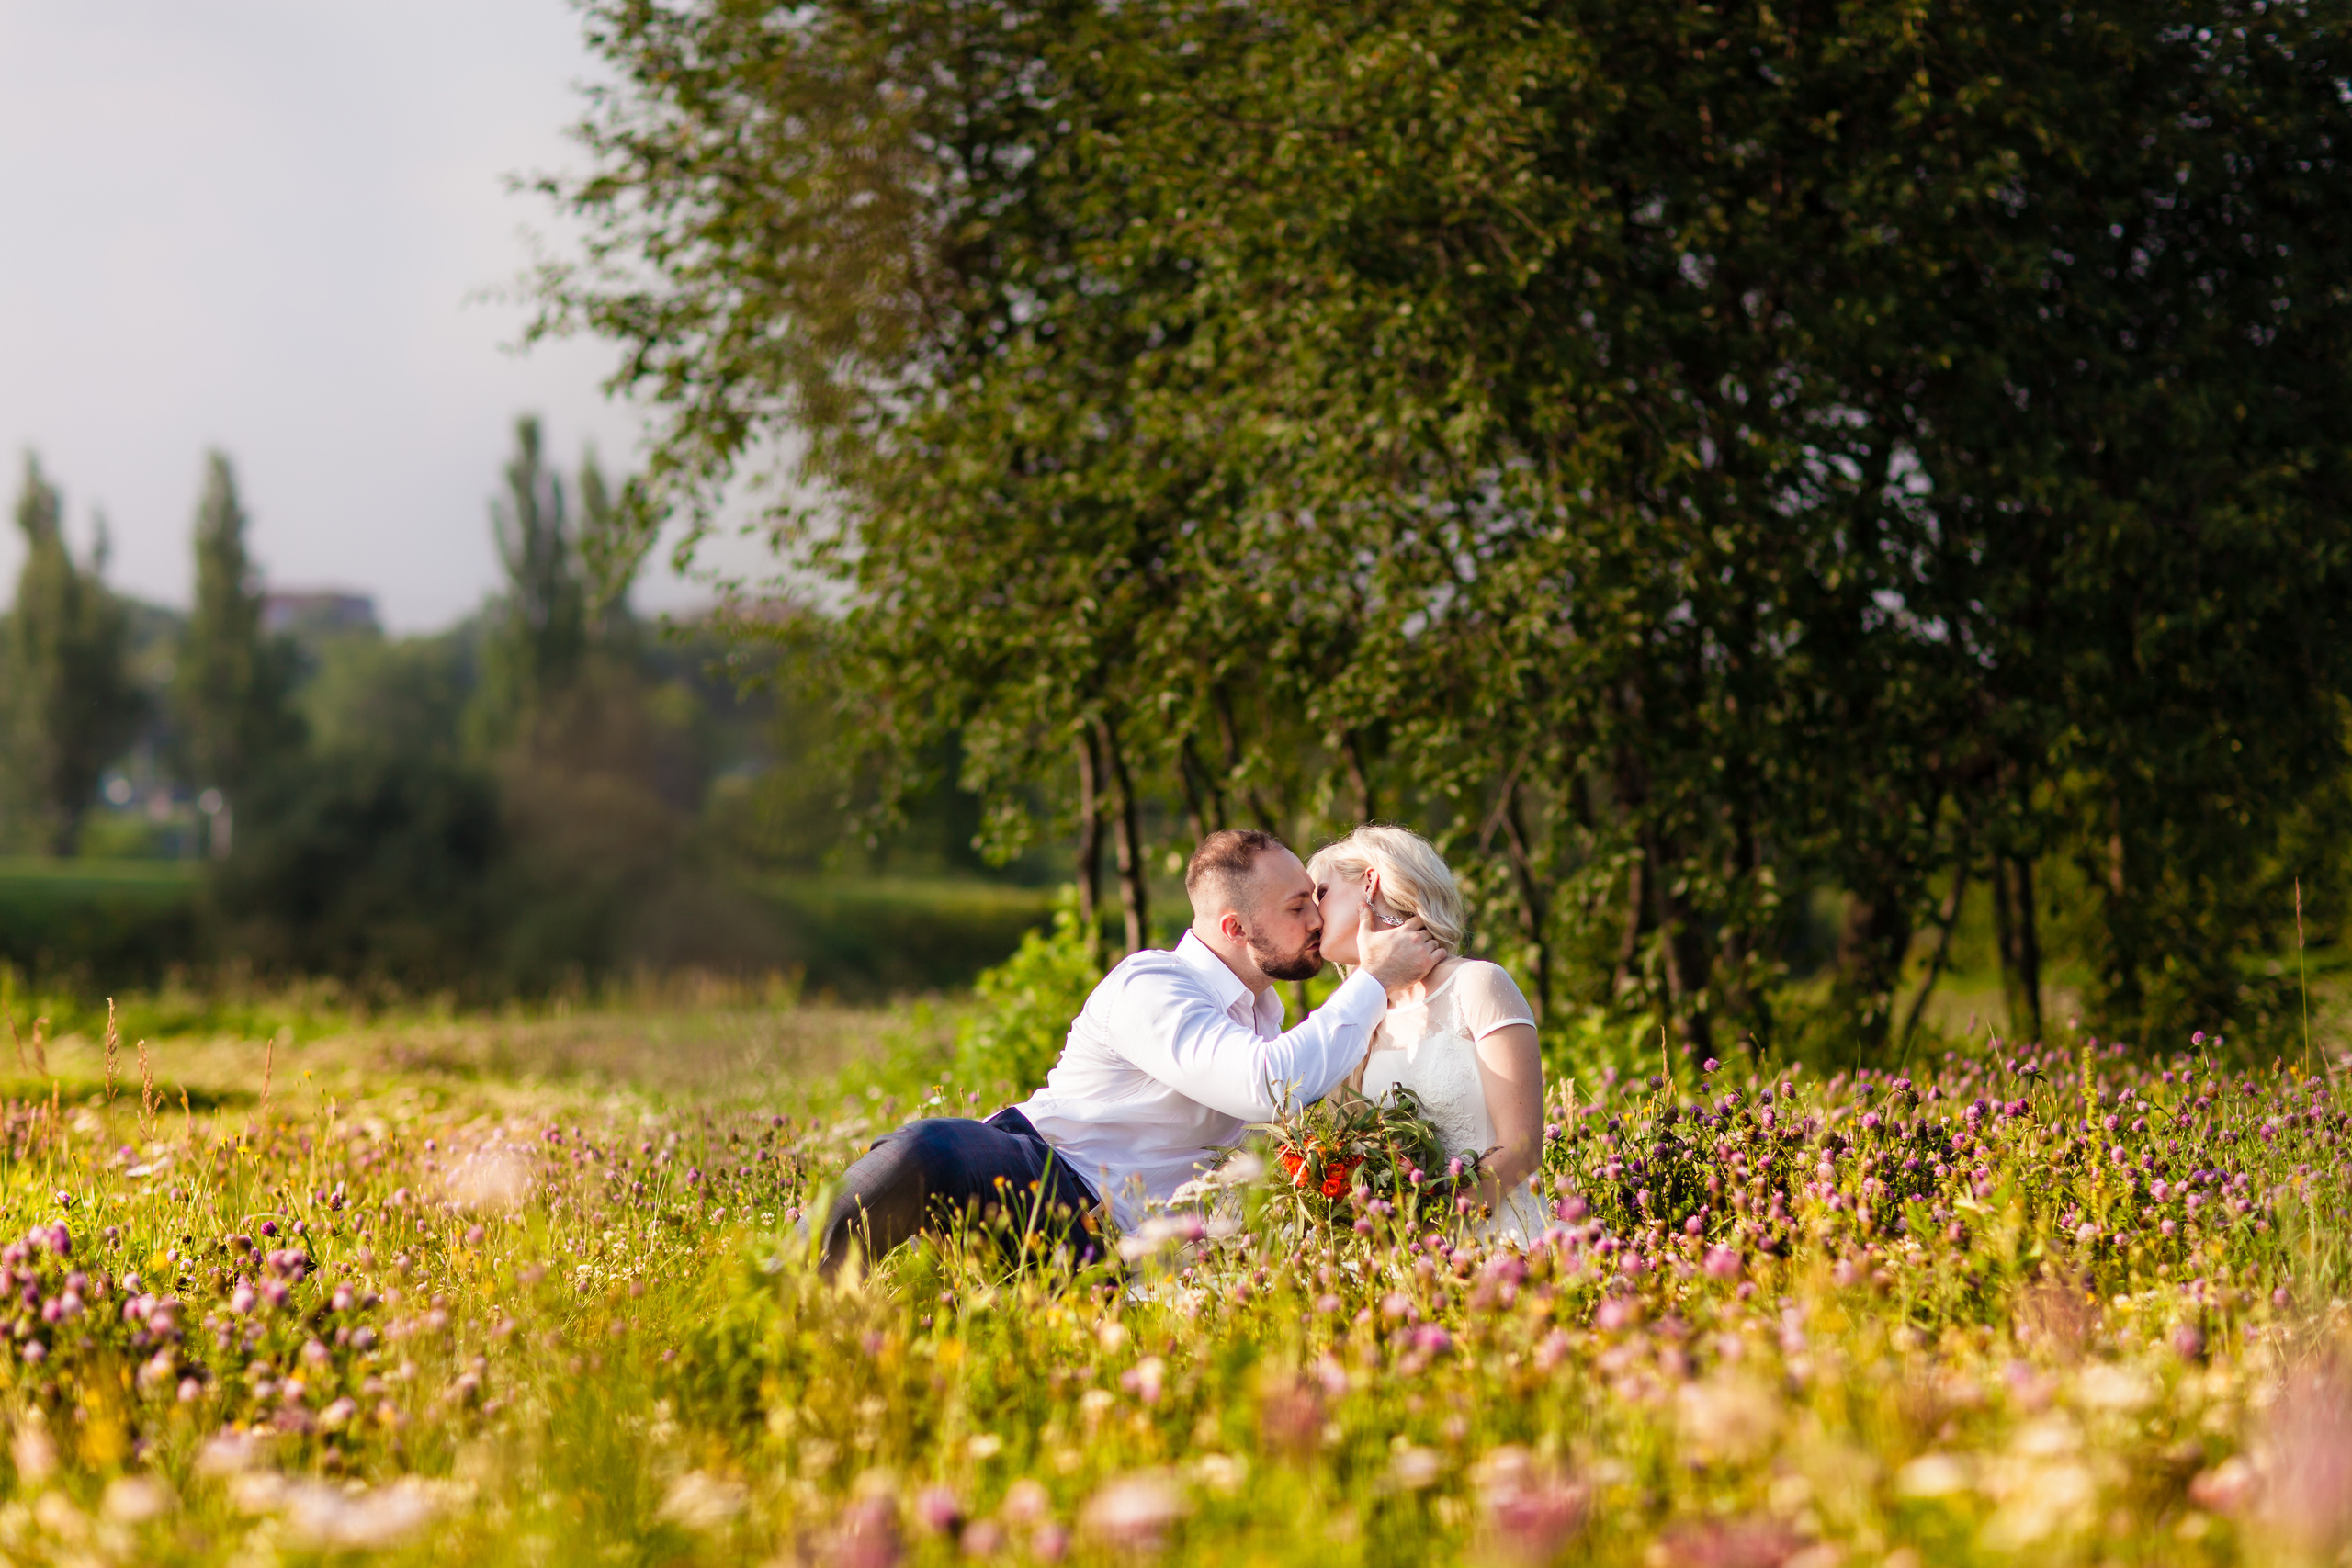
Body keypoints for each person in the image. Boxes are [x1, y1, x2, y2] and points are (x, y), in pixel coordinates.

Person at [816, 828, 1444, 1277]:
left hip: (1115, 1245)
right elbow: (1266, 1085)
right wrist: (1372, 980)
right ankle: (785, 1281)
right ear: (1234, 927)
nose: (1314, 917)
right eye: (1296, 905)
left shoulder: (1264, 1012)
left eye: (1314, 898)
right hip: (1041, 1169)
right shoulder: (1154, 983)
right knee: (927, 1149)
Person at [1307, 824, 1549, 1245]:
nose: (1311, 913)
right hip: (1405, 1257)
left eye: (1321, 893)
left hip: (1500, 1242)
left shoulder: (1478, 984)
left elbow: (1523, 1147)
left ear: (1370, 881)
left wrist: (1435, 1226)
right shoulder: (1362, 1017)